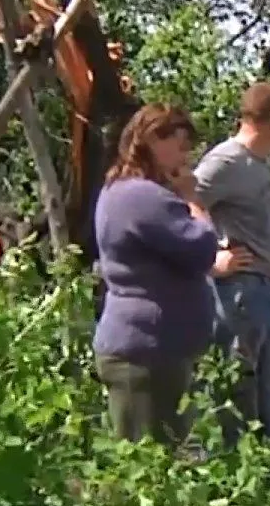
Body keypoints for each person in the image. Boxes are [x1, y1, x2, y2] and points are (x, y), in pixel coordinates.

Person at [92, 104, 253, 445]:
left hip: (150, 352)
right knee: (144, 466)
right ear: (151, 140)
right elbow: (202, 246)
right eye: (179, 146)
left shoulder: (124, 190)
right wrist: (193, 198)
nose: (185, 157)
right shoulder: (143, 197)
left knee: (151, 460)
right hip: (145, 356)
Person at [194, 82, 270, 446]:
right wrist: (210, 257)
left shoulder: (255, 164)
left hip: (263, 291)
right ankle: (231, 489)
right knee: (236, 401)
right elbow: (184, 201)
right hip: (239, 292)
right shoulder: (226, 160)